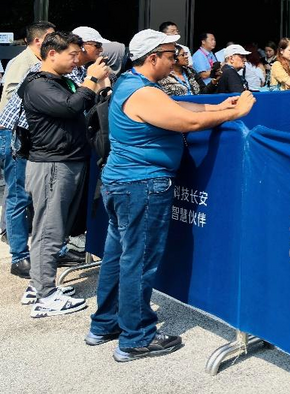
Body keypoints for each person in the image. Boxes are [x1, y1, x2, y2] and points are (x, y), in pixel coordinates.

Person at [87, 29, 255, 361]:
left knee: (119, 255)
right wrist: (235, 113)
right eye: (170, 53)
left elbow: (185, 115)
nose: (176, 58)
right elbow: (185, 123)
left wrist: (218, 107)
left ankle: (105, 324)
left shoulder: (132, 84)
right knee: (138, 260)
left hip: (125, 184)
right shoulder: (143, 92)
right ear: (153, 58)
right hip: (142, 187)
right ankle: (136, 337)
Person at [19, 31, 111, 316]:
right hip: (52, 165)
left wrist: (100, 85)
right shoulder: (37, 84)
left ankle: (39, 283)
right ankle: (45, 295)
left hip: (67, 161)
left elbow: (85, 106)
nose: (77, 60)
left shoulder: (61, 81)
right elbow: (71, 107)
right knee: (49, 229)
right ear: (51, 54)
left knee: (55, 228)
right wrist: (91, 79)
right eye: (72, 54)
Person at [0, 19, 54, 278]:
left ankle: (51, 250)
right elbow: (12, 101)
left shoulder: (42, 62)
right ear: (38, 41)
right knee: (18, 196)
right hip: (16, 137)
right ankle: (19, 256)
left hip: (34, 137)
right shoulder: (22, 63)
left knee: (37, 195)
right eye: (52, 38)